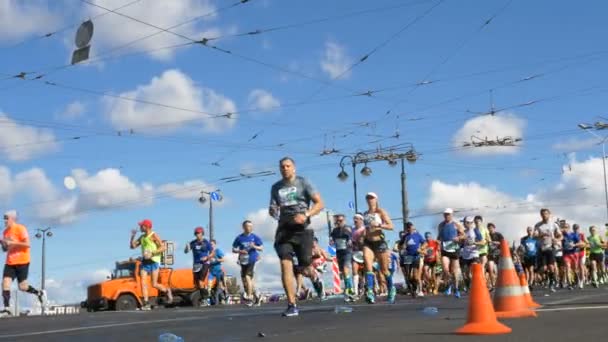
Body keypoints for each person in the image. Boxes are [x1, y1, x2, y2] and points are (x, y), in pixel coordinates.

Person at [269, 157, 324, 317]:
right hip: (284, 230)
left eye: (288, 166)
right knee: (285, 264)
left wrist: (306, 214)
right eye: (282, 167)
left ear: (294, 168)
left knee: (305, 267)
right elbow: (273, 206)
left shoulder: (304, 182)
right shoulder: (276, 187)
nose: (285, 168)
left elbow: (320, 203)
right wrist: (272, 211)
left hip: (302, 229)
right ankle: (292, 305)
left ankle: (314, 276)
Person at [1, 210, 44, 316]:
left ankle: (39, 293)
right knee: (5, 283)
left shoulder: (20, 228)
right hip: (10, 262)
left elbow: (27, 244)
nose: (5, 220)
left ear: (13, 219)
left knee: (22, 287)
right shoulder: (5, 232)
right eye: (4, 218)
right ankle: (7, 309)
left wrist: (12, 242)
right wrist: (3, 244)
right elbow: (5, 249)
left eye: (7, 218)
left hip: (22, 261)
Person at [130, 219, 173, 310]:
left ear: (146, 227)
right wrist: (132, 236)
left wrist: (152, 253)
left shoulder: (153, 235)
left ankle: (167, 290)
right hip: (145, 262)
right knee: (143, 283)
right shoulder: (142, 237)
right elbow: (132, 246)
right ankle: (146, 303)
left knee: (154, 284)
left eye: (141, 226)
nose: (140, 227)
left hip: (154, 261)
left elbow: (163, 247)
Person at [361, 192, 395, 304]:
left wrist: (379, 225)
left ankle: (391, 289)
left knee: (384, 270)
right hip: (368, 242)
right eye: (368, 198)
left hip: (379, 242)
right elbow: (364, 228)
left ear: (376, 199)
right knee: (367, 265)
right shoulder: (365, 214)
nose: (370, 200)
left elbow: (391, 226)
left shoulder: (381, 212)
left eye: (372, 198)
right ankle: (370, 291)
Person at [232, 220, 264, 307]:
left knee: (248, 277)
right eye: (247, 226)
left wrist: (254, 246)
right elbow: (233, 249)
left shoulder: (255, 237)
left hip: (253, 259)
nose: (249, 228)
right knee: (246, 281)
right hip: (243, 261)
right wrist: (240, 251)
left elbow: (261, 248)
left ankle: (249, 298)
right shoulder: (239, 238)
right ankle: (257, 295)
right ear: (243, 227)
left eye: (251, 226)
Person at [437, 208, 464, 298]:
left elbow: (464, 235)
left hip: (454, 250)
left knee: (455, 272)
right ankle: (449, 285)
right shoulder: (441, 225)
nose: (446, 216)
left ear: (452, 215)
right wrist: (438, 242)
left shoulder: (456, 224)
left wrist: (458, 238)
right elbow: (439, 236)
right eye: (445, 214)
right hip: (445, 249)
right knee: (445, 269)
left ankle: (455, 288)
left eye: (448, 214)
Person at [184, 226, 213, 307]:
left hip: (205, 263)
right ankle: (206, 295)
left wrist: (207, 257)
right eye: (196, 233)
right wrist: (187, 247)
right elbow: (186, 251)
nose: (197, 235)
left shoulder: (206, 242)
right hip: (196, 264)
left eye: (199, 233)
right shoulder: (193, 243)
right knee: (197, 284)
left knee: (201, 282)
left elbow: (212, 253)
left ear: (202, 234)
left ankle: (205, 299)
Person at [329, 214, 355, 301]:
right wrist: (332, 244)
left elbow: (351, 236)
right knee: (343, 272)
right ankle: (348, 288)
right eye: (338, 221)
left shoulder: (347, 228)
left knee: (346, 268)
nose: (339, 222)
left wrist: (350, 240)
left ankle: (350, 289)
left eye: (341, 221)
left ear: (344, 221)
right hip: (339, 252)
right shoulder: (334, 230)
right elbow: (331, 240)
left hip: (347, 251)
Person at [534, 208, 561, 292]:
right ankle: (540, 276)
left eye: (546, 214)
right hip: (541, 248)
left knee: (551, 267)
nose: (544, 215)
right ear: (540, 215)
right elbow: (534, 236)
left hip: (550, 247)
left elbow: (560, 235)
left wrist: (557, 239)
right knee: (544, 268)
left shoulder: (554, 224)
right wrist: (540, 235)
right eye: (542, 214)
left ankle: (551, 283)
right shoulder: (538, 225)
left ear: (549, 214)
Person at [398, 222, 425, 298]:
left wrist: (421, 248)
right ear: (407, 229)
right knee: (409, 276)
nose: (410, 230)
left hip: (416, 256)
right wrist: (402, 248)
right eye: (408, 228)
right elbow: (399, 246)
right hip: (407, 257)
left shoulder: (418, 235)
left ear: (413, 228)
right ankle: (412, 289)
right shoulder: (405, 236)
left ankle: (415, 288)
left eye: (411, 228)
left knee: (416, 276)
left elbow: (424, 243)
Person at [460, 216, 484, 290]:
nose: (464, 224)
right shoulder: (463, 232)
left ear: (469, 223)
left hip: (474, 254)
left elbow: (482, 242)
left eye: (465, 222)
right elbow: (461, 244)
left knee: (472, 273)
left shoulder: (475, 231)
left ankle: (478, 287)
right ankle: (469, 287)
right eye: (463, 222)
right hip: (465, 255)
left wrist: (474, 242)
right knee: (465, 274)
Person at [351, 214, 366, 297]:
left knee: (364, 273)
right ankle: (355, 291)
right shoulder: (352, 230)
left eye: (357, 219)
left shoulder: (365, 229)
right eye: (354, 219)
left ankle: (366, 287)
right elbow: (351, 241)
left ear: (361, 220)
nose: (355, 220)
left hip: (365, 253)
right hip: (355, 253)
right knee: (355, 270)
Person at [486, 223, 504, 290]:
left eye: (491, 228)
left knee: (496, 271)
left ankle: (498, 283)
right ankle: (493, 285)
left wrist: (495, 242)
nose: (490, 229)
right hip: (490, 255)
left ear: (494, 228)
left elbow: (503, 242)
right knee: (490, 270)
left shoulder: (498, 234)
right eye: (488, 228)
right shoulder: (487, 235)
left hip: (498, 254)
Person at [209, 239, 226, 305]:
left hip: (218, 272)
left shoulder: (218, 251)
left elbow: (223, 259)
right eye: (210, 244)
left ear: (215, 244)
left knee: (219, 288)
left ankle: (223, 296)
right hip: (212, 272)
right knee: (209, 286)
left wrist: (217, 259)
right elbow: (209, 262)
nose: (211, 246)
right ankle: (212, 299)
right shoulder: (209, 253)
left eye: (212, 244)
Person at [573, 224, 587, 288]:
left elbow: (586, 243)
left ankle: (581, 281)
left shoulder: (582, 234)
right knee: (575, 267)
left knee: (581, 266)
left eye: (577, 228)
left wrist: (582, 244)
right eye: (575, 228)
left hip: (582, 252)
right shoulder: (572, 235)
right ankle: (578, 280)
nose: (576, 229)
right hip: (575, 253)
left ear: (579, 228)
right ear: (573, 229)